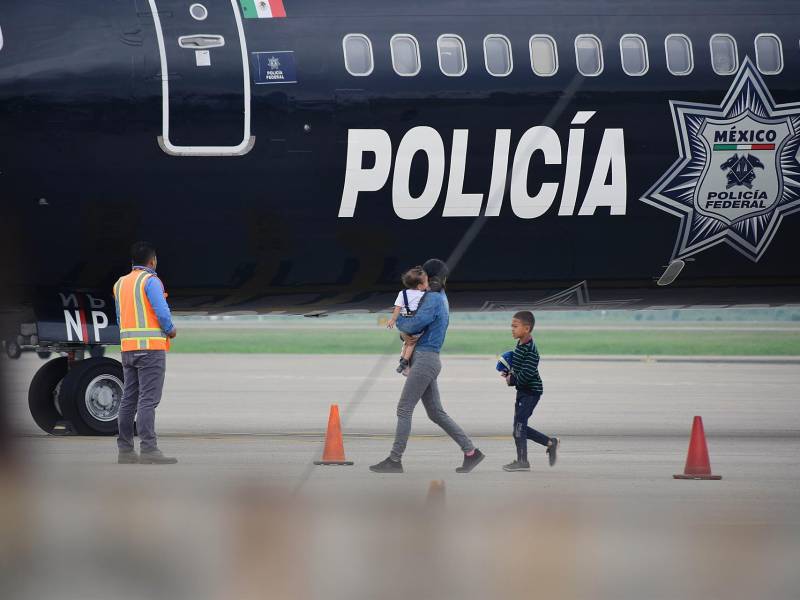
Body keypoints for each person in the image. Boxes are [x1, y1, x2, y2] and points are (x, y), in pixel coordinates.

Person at [370, 259, 484, 474]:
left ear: (428, 278)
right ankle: (471, 452)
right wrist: (406, 332)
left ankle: (395, 460)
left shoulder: (432, 298)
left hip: (424, 359)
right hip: (428, 358)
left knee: (404, 409)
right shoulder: (440, 297)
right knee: (435, 413)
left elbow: (413, 325)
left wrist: (400, 324)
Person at [113, 242, 178, 465]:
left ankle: (125, 450)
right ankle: (149, 449)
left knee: (128, 399)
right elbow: (161, 311)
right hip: (150, 350)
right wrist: (170, 329)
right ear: (152, 261)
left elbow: (120, 318)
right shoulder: (150, 281)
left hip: (128, 349)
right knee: (148, 400)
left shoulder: (120, 283)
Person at [498, 311, 559, 472]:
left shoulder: (531, 350)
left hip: (531, 392)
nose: (512, 329)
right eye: (511, 326)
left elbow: (525, 375)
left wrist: (511, 379)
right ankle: (550, 443)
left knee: (519, 427)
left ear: (526, 328)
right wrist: (508, 371)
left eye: (515, 326)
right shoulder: (520, 345)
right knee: (519, 427)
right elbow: (518, 369)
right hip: (523, 391)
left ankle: (523, 462)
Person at [386, 266, 428, 375]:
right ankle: (404, 363)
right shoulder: (423, 295)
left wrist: (393, 320)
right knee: (412, 343)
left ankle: (402, 358)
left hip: (403, 321)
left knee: (406, 341)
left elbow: (397, 308)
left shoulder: (402, 293)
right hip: (414, 322)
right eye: (426, 281)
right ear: (420, 286)